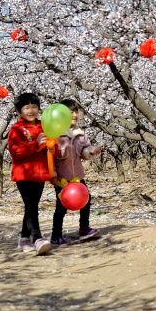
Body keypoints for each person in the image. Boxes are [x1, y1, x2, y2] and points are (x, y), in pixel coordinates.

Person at [49, 100, 102, 245]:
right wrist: (53, 175)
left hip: (78, 177)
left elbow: (84, 152)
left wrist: (91, 151)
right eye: (70, 112)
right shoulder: (56, 135)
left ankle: (84, 228)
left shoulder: (80, 135)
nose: (74, 115)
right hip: (62, 179)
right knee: (61, 207)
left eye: (76, 111)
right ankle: (56, 235)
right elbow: (50, 158)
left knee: (86, 200)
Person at [7, 92, 52, 255]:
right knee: (31, 206)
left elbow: (49, 145)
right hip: (24, 174)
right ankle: (37, 238)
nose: (31, 110)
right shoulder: (17, 129)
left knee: (31, 207)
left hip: (40, 173)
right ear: (19, 111)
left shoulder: (44, 125)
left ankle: (24, 238)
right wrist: (35, 144)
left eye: (34, 107)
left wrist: (51, 147)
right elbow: (15, 151)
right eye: (27, 107)